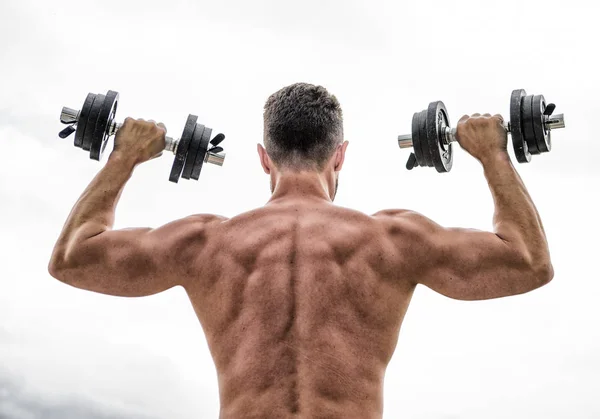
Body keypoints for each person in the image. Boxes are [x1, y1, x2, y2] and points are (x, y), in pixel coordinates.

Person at [48, 83, 554, 418]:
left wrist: (126, 156)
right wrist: (492, 154)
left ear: (263, 159)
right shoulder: (392, 241)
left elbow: (72, 258)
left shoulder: (204, 243)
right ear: (340, 155)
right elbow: (528, 262)